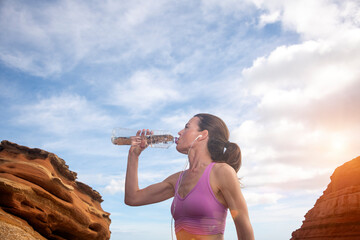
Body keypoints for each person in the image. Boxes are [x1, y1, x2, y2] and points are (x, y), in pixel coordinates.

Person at [124, 113, 255, 240]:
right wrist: (133, 156)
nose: (180, 132)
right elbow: (133, 198)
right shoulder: (177, 180)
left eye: (187, 127)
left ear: (203, 135)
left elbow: (243, 226)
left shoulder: (221, 172)